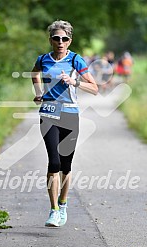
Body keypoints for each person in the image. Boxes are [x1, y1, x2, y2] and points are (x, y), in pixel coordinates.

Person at [31, 20, 98, 227]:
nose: (60, 42)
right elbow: (34, 73)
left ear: (70, 41)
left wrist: (74, 82)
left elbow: (94, 88)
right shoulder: (43, 60)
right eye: (56, 38)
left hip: (70, 115)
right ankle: (54, 211)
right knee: (54, 162)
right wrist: (39, 93)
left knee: (66, 166)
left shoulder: (75, 60)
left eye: (65, 38)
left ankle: (63, 202)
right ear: (50, 40)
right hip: (49, 113)